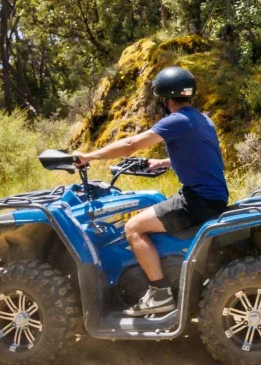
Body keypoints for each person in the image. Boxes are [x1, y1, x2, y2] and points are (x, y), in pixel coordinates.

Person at [73, 66, 229, 316]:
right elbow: (205, 156)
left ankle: (159, 293)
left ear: (165, 100)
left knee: (133, 227)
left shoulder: (176, 120)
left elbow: (131, 144)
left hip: (197, 201)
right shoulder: (202, 119)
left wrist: (88, 156)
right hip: (212, 197)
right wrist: (164, 162)